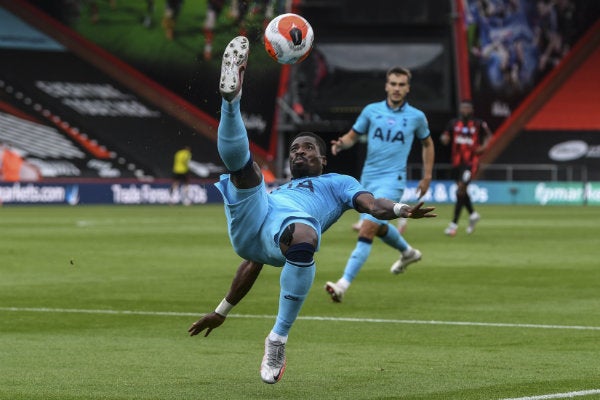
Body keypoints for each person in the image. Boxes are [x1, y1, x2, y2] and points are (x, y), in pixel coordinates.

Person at [187, 36, 436, 384]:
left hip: (288, 231)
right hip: (258, 218)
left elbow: (371, 205)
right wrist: (221, 312)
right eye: (294, 149)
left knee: (301, 232)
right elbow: (251, 261)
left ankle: (277, 339)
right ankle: (231, 100)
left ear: (322, 159)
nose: (298, 152)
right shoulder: (282, 187)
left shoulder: (338, 182)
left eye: (307, 148)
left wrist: (399, 208)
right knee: (248, 172)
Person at [324, 66, 435, 303]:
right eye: (393, 84)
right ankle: (408, 252)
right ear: (386, 85)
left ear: (408, 88)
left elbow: (428, 144)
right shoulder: (371, 111)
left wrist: (426, 176)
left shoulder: (416, 117)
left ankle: (342, 285)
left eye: (401, 84)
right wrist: (341, 143)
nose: (396, 88)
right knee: (378, 226)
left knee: (366, 229)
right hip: (369, 180)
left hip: (392, 182)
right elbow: (353, 135)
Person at [440, 100, 492, 236]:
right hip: (456, 163)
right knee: (461, 192)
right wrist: (444, 138)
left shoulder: (478, 123)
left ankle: (453, 225)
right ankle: (473, 214)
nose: (465, 110)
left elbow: (489, 135)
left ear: (472, 110)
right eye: (463, 108)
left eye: (468, 108)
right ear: (460, 109)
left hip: (471, 163)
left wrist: (484, 146)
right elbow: (445, 135)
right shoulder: (453, 123)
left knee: (461, 189)